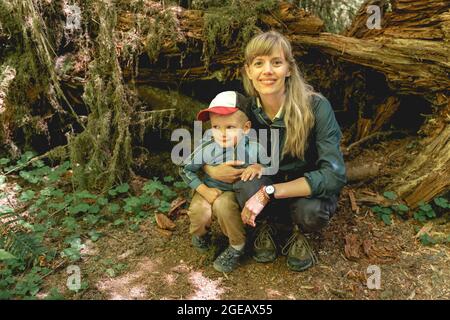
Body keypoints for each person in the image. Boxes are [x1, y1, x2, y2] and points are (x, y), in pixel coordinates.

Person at [204, 31, 347, 272]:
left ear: (289, 69)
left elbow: (335, 175)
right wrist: (211, 168)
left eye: (276, 62)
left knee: (310, 212)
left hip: (302, 193)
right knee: (247, 180)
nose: (267, 70)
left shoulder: (316, 107)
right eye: (259, 63)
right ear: (249, 71)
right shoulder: (244, 109)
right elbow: (210, 143)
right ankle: (265, 226)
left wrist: (270, 191)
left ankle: (301, 233)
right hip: (266, 186)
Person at [180, 91, 264, 273]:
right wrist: (204, 190)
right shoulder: (207, 147)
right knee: (197, 210)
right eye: (216, 127)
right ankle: (201, 235)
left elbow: (269, 166)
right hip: (209, 187)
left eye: (230, 127)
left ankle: (237, 245)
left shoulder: (254, 147)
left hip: (233, 192)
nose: (222, 134)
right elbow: (185, 169)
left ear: (246, 128)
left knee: (224, 206)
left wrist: (258, 166)